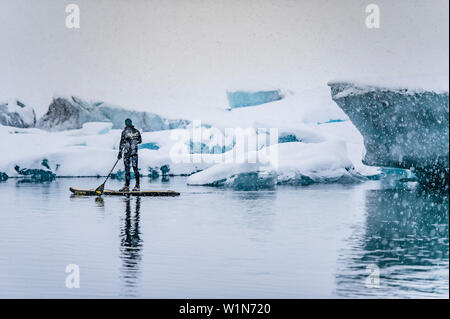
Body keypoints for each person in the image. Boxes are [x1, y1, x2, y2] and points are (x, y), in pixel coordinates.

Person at [118, 118, 142, 191]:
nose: (128, 123)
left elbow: (122, 143)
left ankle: (133, 186)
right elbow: (140, 141)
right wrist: (120, 152)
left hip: (129, 153)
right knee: (132, 169)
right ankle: (130, 186)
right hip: (132, 153)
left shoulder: (125, 132)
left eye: (128, 122)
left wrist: (120, 151)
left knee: (131, 169)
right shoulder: (136, 131)